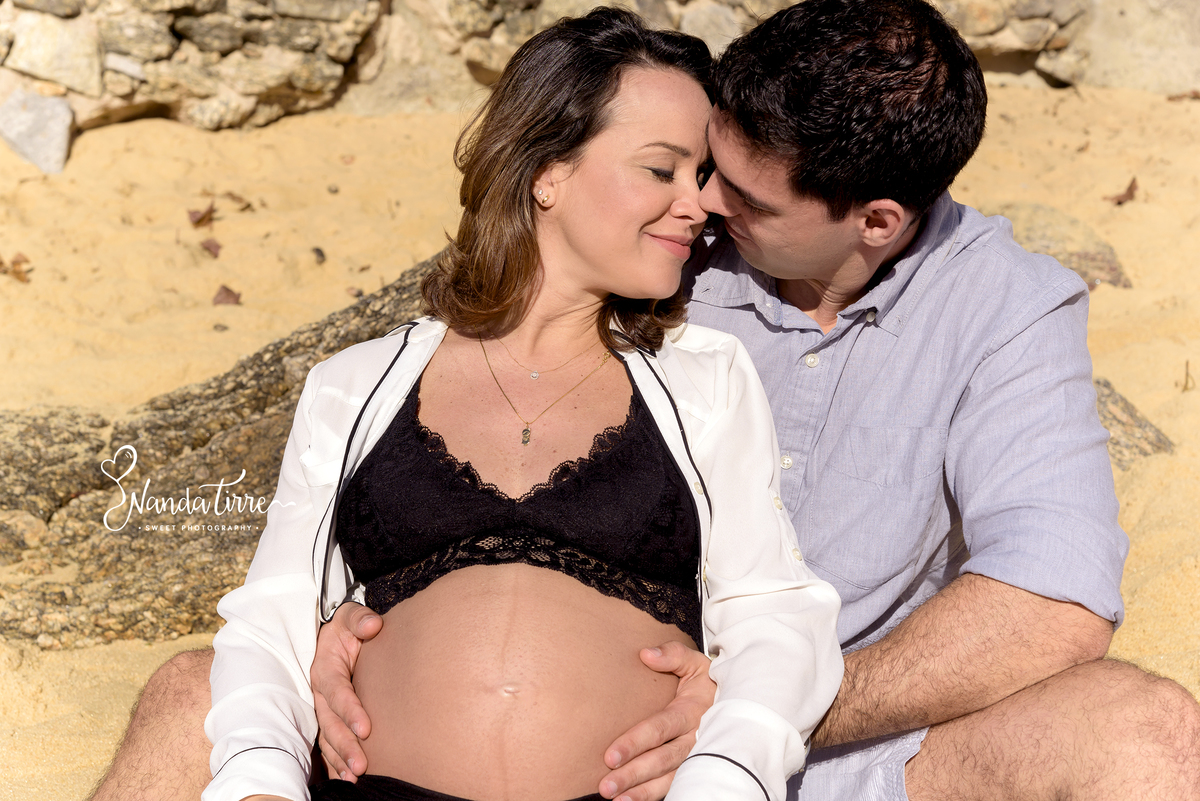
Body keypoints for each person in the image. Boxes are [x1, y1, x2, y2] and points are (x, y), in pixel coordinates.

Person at [88, 1, 1200, 800]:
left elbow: (1052, 604)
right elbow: (471, 367)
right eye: (692, 165)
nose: (704, 207)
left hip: (845, 746)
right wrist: (345, 620)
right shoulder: (653, 264)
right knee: (197, 691)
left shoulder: (1002, 304)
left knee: (1145, 732)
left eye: (740, 193)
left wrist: (758, 714)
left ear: (877, 221)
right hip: (517, 749)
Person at [200, 8, 842, 801]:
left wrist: (726, 770)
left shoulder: (704, 379)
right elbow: (272, 621)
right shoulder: (355, 383)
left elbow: (774, 611)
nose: (699, 204)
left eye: (701, 175)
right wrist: (260, 780)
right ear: (548, 171)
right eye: (662, 169)